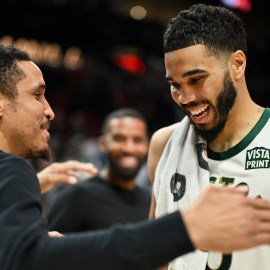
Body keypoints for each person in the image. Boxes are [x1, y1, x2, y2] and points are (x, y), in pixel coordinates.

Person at [0, 44, 270, 270]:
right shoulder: (16, 171)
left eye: (196, 79)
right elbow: (31, 258)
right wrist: (185, 228)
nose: (49, 111)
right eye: (37, 95)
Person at [148, 3, 270, 270]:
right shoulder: (163, 145)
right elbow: (158, 255)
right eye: (174, 85)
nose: (185, 98)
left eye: (197, 79)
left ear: (237, 64)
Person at [46, 108, 151, 233]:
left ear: (147, 145)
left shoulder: (151, 202)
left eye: (137, 140)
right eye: (119, 139)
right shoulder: (76, 197)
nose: (129, 148)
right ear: (102, 144)